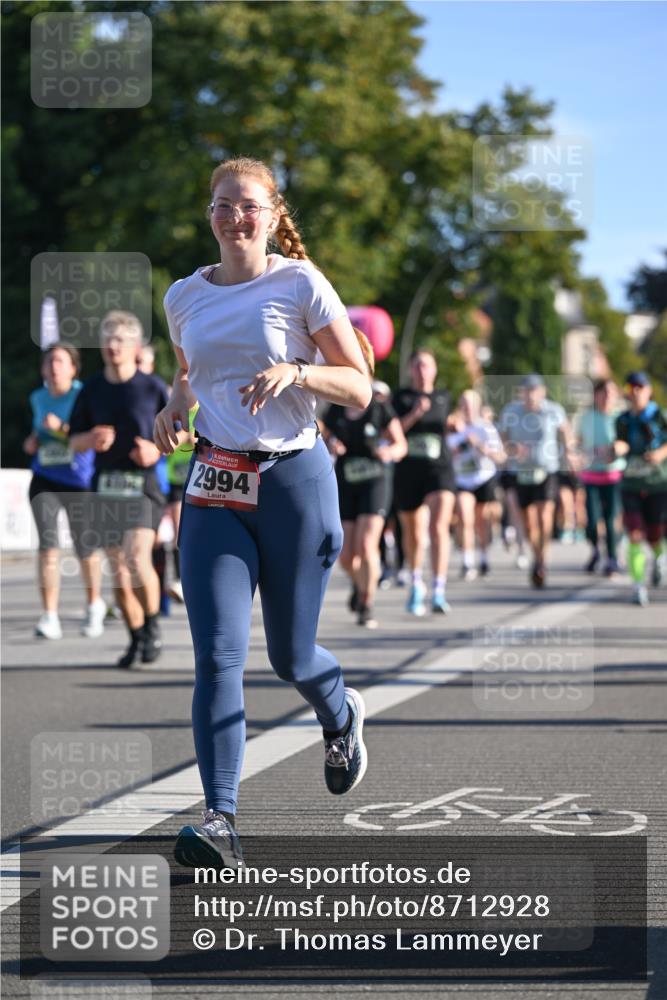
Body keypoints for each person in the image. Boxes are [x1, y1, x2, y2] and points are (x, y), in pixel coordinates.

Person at [153, 156, 371, 868]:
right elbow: (192, 374)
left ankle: (339, 715)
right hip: (214, 483)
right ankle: (220, 819)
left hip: (292, 482)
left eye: (248, 205)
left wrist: (300, 371)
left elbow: (359, 387)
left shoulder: (299, 283)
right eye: (222, 204)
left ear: (273, 216)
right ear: (208, 213)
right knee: (216, 658)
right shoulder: (184, 296)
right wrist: (172, 408)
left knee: (290, 656)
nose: (234, 216)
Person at [69, 311, 175, 666]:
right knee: (117, 567)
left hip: (143, 484)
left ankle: (153, 624)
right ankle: (136, 636)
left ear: (134, 346)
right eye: (107, 339)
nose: (112, 346)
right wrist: (90, 439)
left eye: (120, 340)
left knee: (135, 556)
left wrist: (156, 448)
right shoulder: (92, 389)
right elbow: (73, 441)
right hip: (106, 484)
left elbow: (186, 434)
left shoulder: (153, 386)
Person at [23, 343, 104, 639]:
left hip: (78, 479)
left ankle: (94, 605)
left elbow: (91, 435)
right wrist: (32, 441)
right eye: (49, 363)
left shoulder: (84, 394)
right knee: (47, 546)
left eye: (60, 362)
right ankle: (49, 616)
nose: (54, 368)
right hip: (44, 476)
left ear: (73, 368)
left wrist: (61, 429)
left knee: (85, 546)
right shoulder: (38, 397)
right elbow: (38, 431)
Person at [323, 369, 407, 628]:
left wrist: (389, 452)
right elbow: (322, 436)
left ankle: (366, 604)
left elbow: (400, 445)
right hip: (347, 482)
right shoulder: (336, 408)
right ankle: (360, 584)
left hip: (375, 481)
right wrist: (331, 445)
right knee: (346, 555)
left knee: (367, 544)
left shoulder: (380, 408)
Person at [391, 348, 457, 616]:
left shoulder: (443, 397)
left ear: (435, 370)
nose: (422, 370)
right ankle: (417, 582)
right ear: (410, 370)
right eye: (417, 365)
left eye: (426, 365)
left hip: (439, 469)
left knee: (438, 526)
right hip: (408, 471)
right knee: (413, 533)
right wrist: (415, 414)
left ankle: (439, 589)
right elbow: (394, 431)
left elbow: (448, 423)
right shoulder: (401, 398)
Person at [498, 374, 576, 588]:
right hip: (520, 472)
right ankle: (537, 556)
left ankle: (542, 561)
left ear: (543, 392)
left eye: (535, 391)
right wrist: (513, 449)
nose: (531, 396)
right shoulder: (511, 412)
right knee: (528, 522)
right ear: (521, 393)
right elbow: (502, 440)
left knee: (544, 515)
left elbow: (566, 432)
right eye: (527, 391)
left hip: (546, 471)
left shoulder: (553, 410)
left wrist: (569, 452)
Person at [614, 372, 667, 606]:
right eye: (630, 387)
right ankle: (638, 585)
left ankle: (659, 559)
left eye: (639, 387)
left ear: (648, 390)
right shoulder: (623, 419)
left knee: (655, 536)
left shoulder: (659, 416)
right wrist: (618, 447)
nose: (635, 391)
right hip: (631, 484)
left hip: (658, 484)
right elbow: (621, 441)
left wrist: (660, 453)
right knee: (634, 535)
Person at [447, 390, 506, 579]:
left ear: (478, 407)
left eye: (471, 404)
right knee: (465, 517)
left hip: (483, 478)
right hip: (462, 480)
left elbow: (500, 456)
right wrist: (459, 446)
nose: (467, 408)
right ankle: (467, 561)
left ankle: (484, 556)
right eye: (464, 404)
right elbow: (448, 453)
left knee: (482, 521)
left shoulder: (485, 428)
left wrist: (480, 446)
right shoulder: (453, 427)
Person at [576, 378, 625, 576]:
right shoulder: (587, 417)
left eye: (611, 394)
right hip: (591, 475)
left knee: (611, 518)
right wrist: (576, 455)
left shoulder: (620, 417)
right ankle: (596, 549)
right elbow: (578, 442)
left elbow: (625, 443)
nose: (607, 398)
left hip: (613, 475)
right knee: (592, 520)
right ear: (596, 395)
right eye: (604, 393)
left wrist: (617, 449)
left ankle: (612, 557)